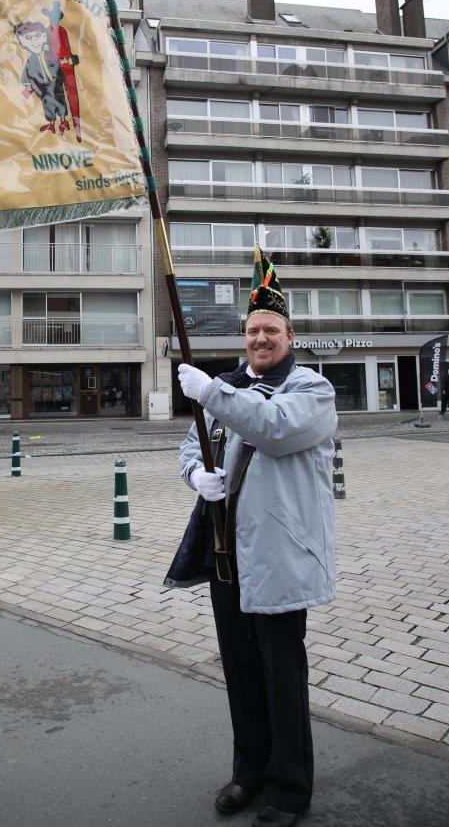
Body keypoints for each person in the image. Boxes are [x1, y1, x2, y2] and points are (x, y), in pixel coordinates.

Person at [177, 251, 337, 827]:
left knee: (282, 679)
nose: (261, 338)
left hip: (280, 556)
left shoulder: (313, 389)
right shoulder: (229, 386)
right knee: (241, 674)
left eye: (271, 329)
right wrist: (196, 474)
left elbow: (272, 427)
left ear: (290, 336)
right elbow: (192, 445)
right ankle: (249, 773)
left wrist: (210, 393)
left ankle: (289, 792)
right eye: (252, 331)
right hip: (227, 555)